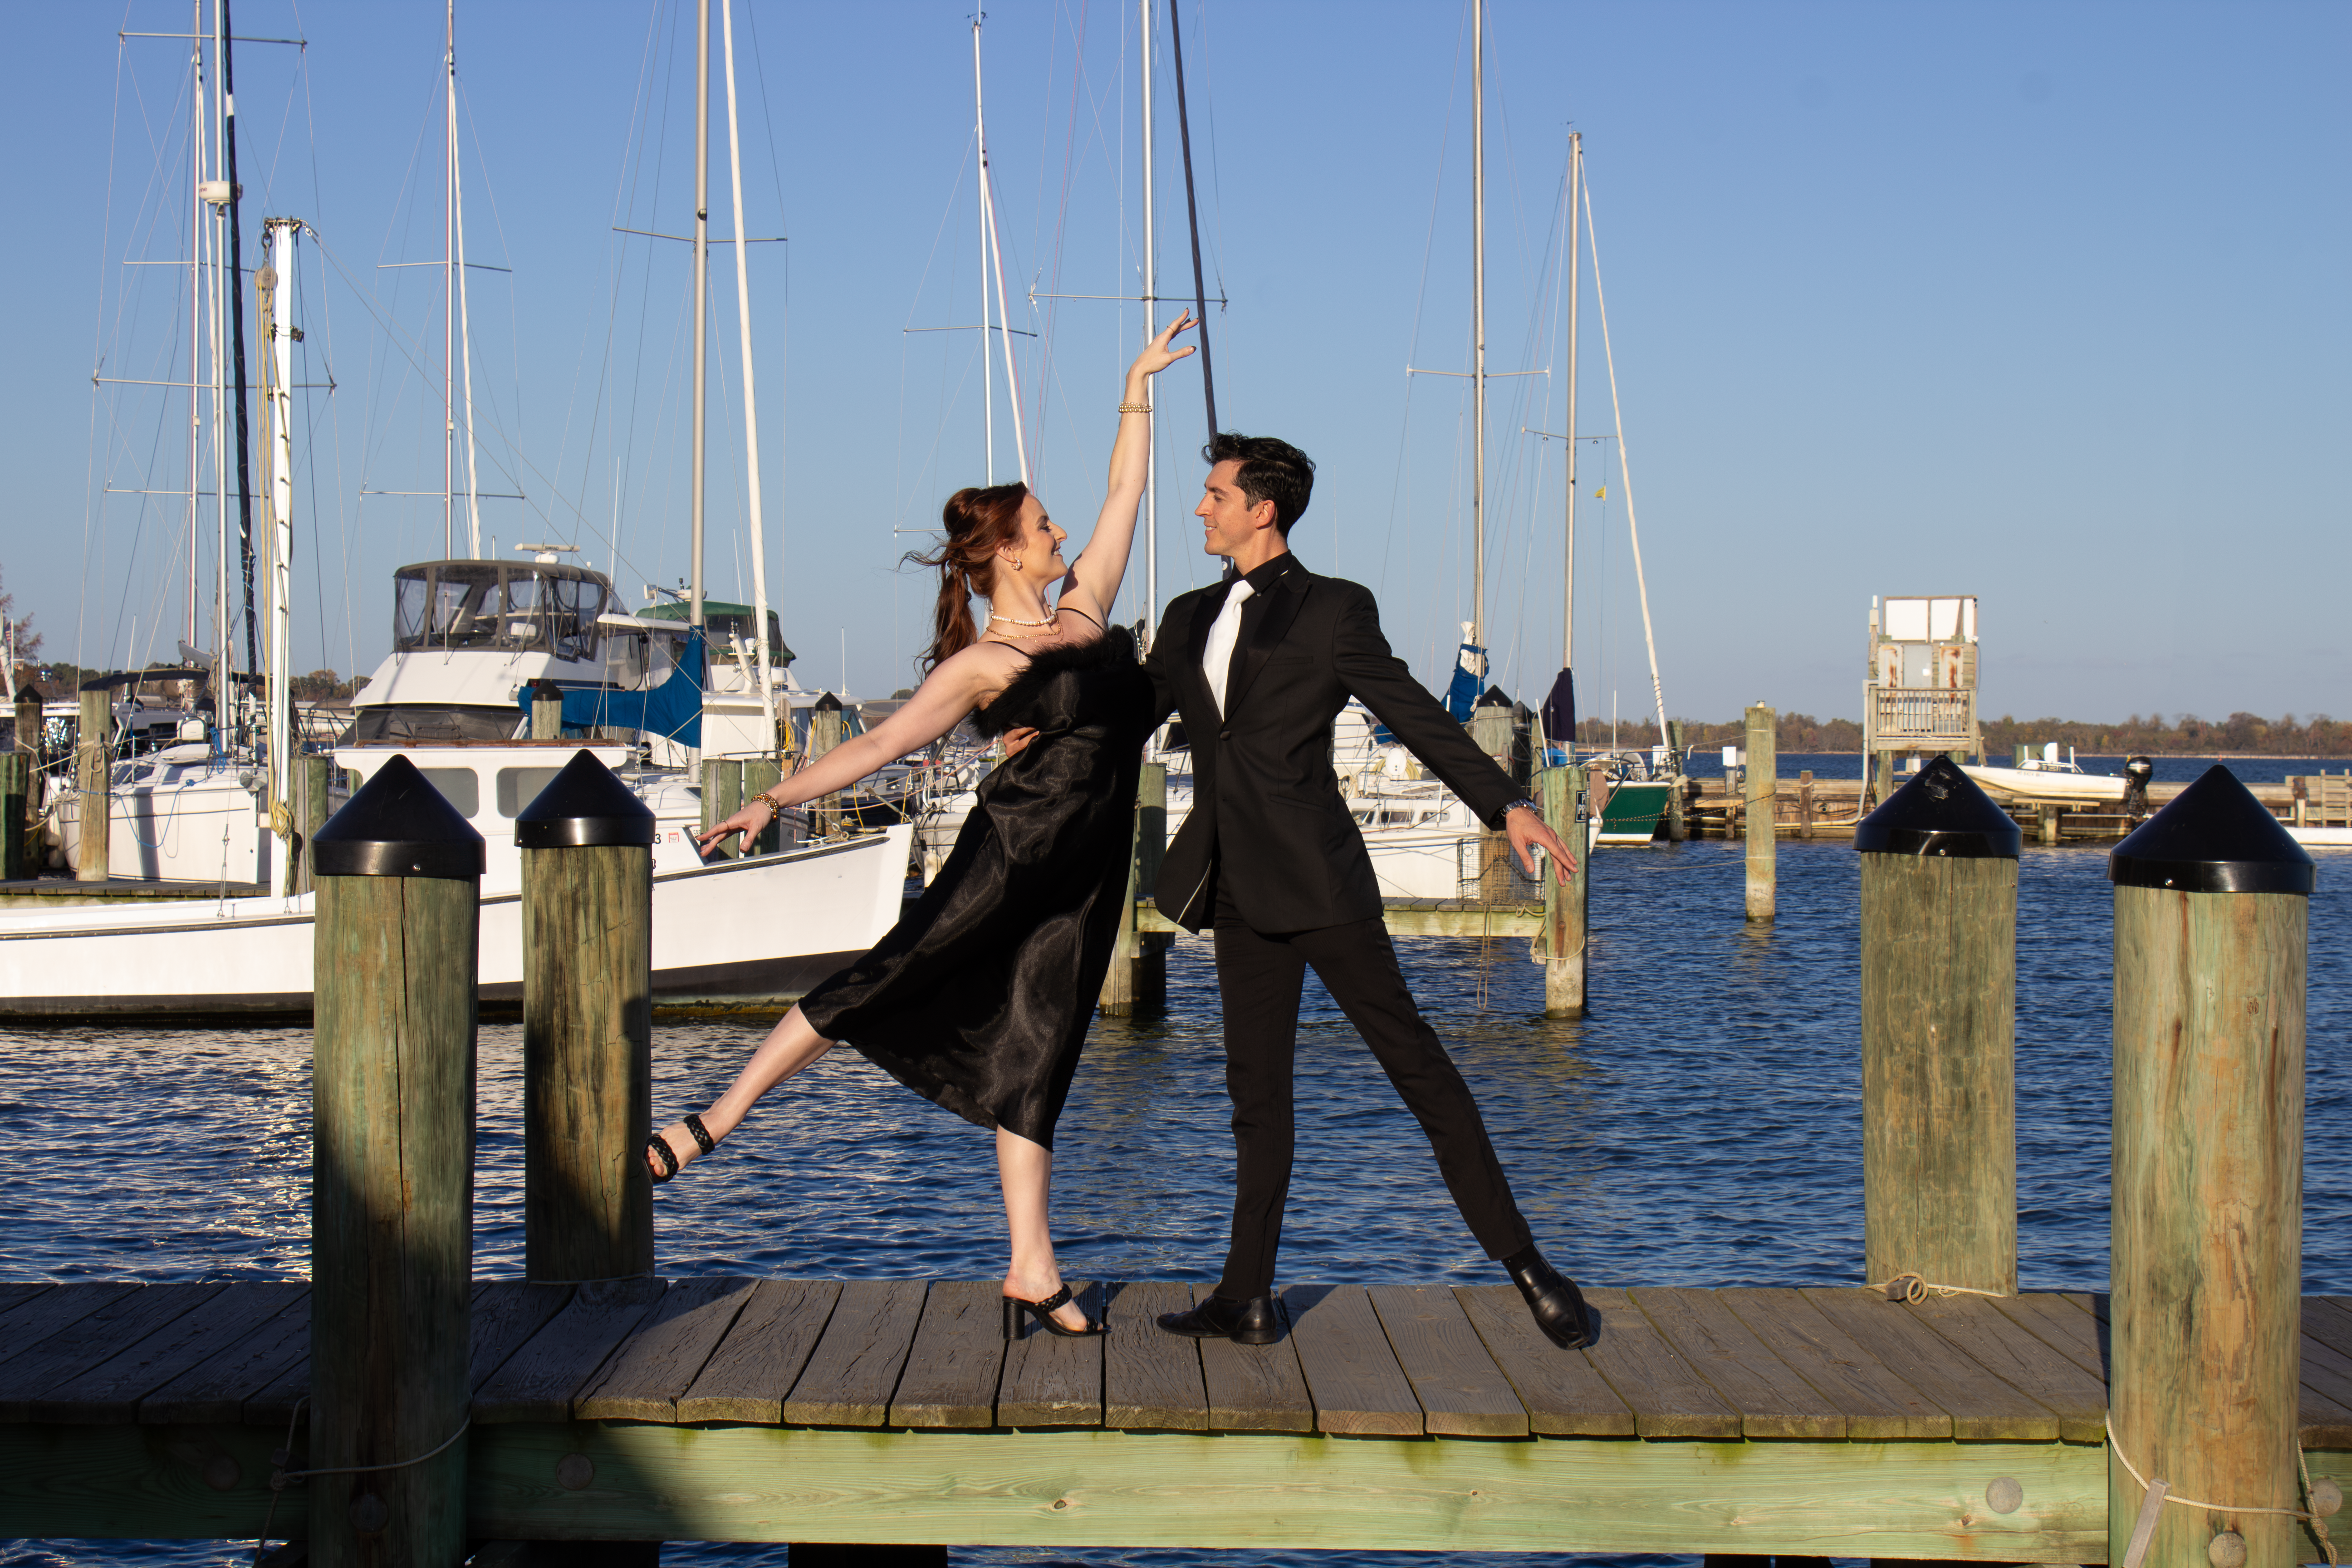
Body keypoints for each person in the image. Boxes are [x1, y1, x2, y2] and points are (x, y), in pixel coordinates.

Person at [657, 313, 1196, 1340]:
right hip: (1016, 853)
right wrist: (775, 799)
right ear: (1002, 552)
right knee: (889, 974)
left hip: (1087, 877)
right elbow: (877, 750)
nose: (1064, 534)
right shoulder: (982, 667)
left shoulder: (1085, 613)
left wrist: (1137, 383)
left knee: (1041, 1054)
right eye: (1044, 528)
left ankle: (1032, 1267)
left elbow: (1128, 491)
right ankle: (715, 1119)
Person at [1142, 432, 1596, 1350]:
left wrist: (1504, 803)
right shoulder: (1187, 615)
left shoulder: (1333, 609)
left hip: (1322, 884)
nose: (1200, 507)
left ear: (1261, 508)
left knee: (1419, 1071)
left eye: (1214, 494)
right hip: (1235, 890)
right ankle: (1248, 1297)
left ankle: (1531, 1269)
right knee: (1256, 1098)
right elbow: (1129, 711)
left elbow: (1415, 711)